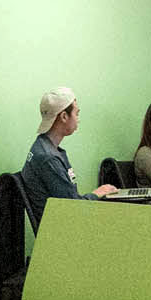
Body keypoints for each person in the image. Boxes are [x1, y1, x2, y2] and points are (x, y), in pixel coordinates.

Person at [19, 87, 116, 224]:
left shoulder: (43, 147)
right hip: (62, 232)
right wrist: (97, 193)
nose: (78, 119)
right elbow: (73, 208)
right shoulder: (48, 158)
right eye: (77, 114)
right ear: (64, 116)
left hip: (63, 223)